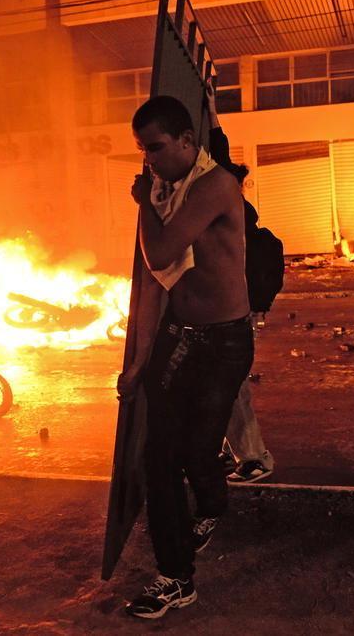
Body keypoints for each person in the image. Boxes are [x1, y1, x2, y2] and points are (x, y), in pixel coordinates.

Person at [117, 95, 252, 619]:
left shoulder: (213, 186)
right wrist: (140, 358)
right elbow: (156, 283)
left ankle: (213, 506)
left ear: (188, 143)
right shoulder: (162, 190)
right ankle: (176, 578)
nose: (148, 160)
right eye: (141, 150)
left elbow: (163, 252)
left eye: (156, 148)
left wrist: (144, 205)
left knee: (198, 453)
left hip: (224, 342)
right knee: (160, 458)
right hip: (180, 334)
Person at [204, 83, 277, 483]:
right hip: (225, 306)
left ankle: (253, 457)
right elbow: (220, 150)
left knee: (230, 386)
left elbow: (219, 153)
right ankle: (229, 452)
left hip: (232, 307)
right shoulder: (233, 202)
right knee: (219, 385)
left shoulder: (231, 206)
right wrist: (211, 110)